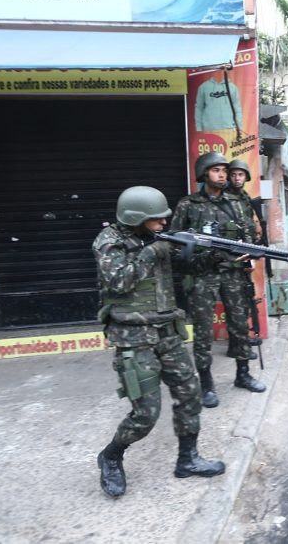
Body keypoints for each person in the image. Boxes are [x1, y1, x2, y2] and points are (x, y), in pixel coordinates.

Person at [93, 186, 225, 498]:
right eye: (157, 219)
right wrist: (153, 251)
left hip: (167, 332)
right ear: (137, 217)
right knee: (146, 414)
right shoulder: (110, 242)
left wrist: (220, 255)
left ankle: (188, 460)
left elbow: (187, 265)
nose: (164, 223)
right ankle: (111, 456)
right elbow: (118, 280)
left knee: (190, 395)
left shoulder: (158, 239)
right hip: (133, 338)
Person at [170, 153, 266, 410]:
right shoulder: (188, 205)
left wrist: (250, 253)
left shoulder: (235, 203)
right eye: (216, 170)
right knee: (203, 331)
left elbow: (247, 235)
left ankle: (243, 374)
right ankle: (206, 383)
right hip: (203, 276)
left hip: (233, 273)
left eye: (225, 170)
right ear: (204, 174)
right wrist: (196, 259)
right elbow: (174, 245)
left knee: (238, 323)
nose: (223, 175)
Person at [226, 158, 264, 361]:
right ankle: (236, 343)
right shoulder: (226, 198)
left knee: (244, 299)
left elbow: (250, 221)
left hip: (245, 252)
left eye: (240, 174)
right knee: (235, 303)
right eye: (233, 174)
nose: (237, 178)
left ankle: (241, 339)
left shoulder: (244, 197)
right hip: (230, 255)